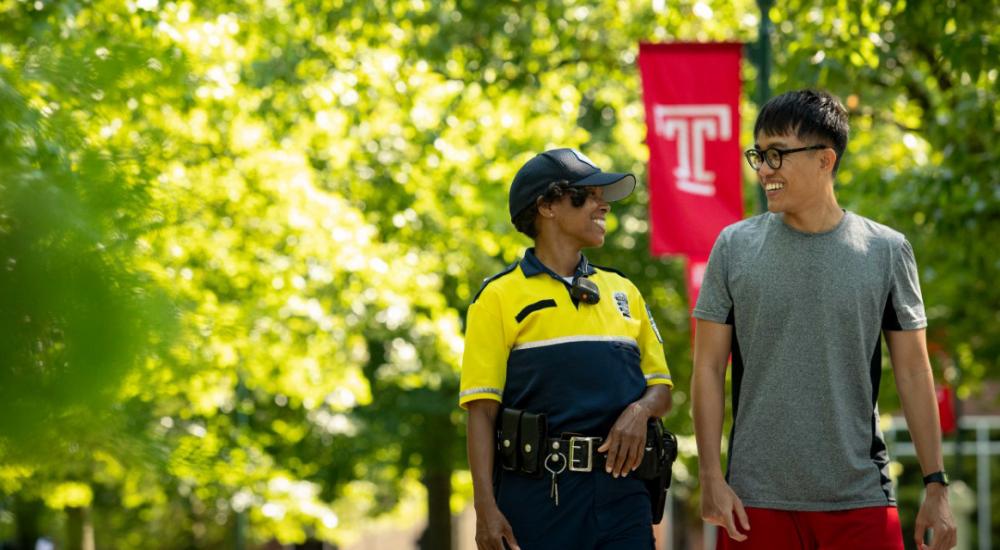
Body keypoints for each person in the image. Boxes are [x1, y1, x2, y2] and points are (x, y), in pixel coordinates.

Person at [691, 89, 957, 550]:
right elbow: (708, 369)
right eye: (758, 154)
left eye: (777, 154)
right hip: (753, 502)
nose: (764, 170)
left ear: (824, 160)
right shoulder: (733, 247)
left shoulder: (886, 251)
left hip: (860, 498)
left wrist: (936, 485)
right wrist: (711, 476)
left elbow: (915, 371)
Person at [460, 148, 673, 550]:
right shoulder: (497, 298)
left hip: (623, 494)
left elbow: (660, 388)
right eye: (588, 194)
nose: (603, 205)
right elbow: (481, 412)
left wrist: (640, 411)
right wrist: (485, 508)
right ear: (546, 206)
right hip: (539, 498)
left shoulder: (624, 291)